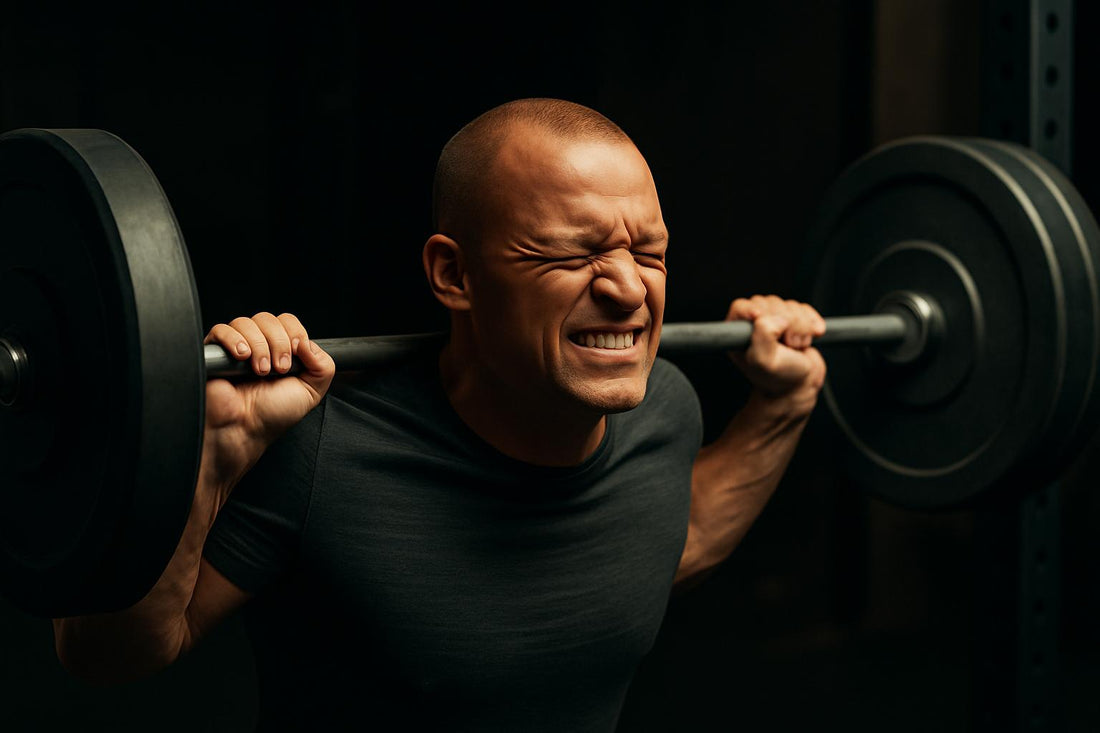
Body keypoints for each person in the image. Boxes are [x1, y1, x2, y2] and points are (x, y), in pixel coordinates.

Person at [52, 98, 826, 731]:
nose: (629, 288)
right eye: (571, 254)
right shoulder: (318, 454)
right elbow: (109, 653)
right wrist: (210, 458)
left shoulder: (665, 409)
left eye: (648, 253)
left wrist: (784, 405)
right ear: (454, 273)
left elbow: (664, 544)